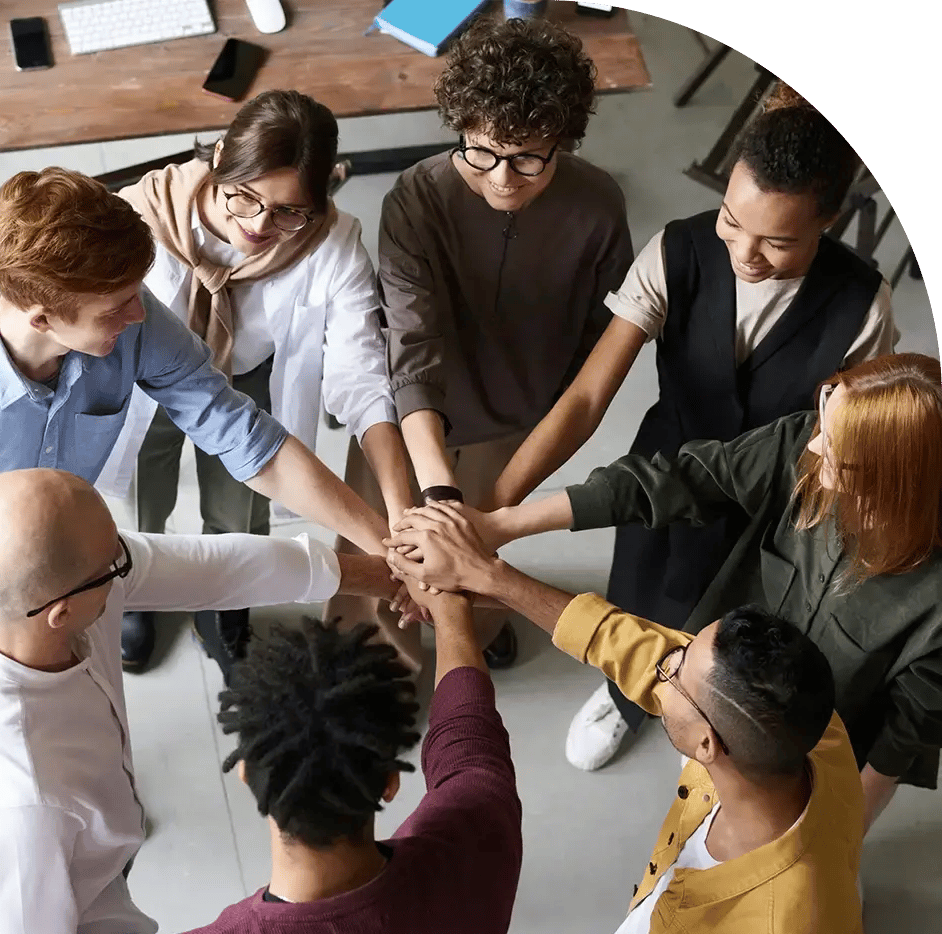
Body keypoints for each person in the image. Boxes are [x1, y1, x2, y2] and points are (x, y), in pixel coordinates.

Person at [488, 84, 898, 769]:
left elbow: (856, 440)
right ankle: (626, 696)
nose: (745, 254)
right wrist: (498, 504)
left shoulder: (861, 304)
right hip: (662, 475)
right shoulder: (677, 251)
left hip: (776, 503)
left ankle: (709, 714)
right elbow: (588, 396)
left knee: (740, 626)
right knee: (642, 588)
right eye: (733, 221)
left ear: (828, 222)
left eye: (778, 242)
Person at [396, 353, 942, 830]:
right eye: (825, 414)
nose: (815, 443)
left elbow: (901, 741)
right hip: (717, 687)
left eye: (838, 453)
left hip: (814, 758)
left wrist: (840, 836)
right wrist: (499, 527)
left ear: (895, 482)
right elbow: (680, 480)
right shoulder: (806, 442)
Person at [0, 468, 402, 934]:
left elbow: (212, 569)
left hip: (81, 862)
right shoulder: (24, 803)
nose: (127, 560)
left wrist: (378, 574)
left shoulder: (2, 587)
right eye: (113, 560)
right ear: (61, 613)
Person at [386, 503, 864, 934]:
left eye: (676, 671)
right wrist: (487, 575)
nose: (663, 664)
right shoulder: (810, 729)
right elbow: (635, 645)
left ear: (708, 744)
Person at [0, 166, 393, 670]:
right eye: (116, 308)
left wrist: (389, 547)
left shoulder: (129, 312)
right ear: (42, 317)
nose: (138, 315)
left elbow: (244, 435)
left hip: (72, 582)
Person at [331, 15, 634, 673]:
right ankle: (380, 660)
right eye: (483, 153)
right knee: (385, 545)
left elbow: (594, 354)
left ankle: (477, 622)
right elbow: (411, 347)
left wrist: (474, 519)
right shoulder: (419, 195)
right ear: (459, 129)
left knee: (480, 557)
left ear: (564, 140)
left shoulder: (600, 209)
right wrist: (438, 498)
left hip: (514, 420)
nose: (502, 178)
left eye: (529, 158)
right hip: (413, 417)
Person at [102, 90, 409, 677]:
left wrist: (395, 514)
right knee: (144, 494)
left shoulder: (331, 241)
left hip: (249, 378)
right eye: (244, 197)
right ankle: (139, 584)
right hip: (147, 382)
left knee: (240, 510)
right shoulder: (141, 213)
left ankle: (225, 601)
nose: (260, 226)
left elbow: (360, 373)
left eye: (289, 210)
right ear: (220, 158)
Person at [119, 573, 521, 934]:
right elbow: (469, 738)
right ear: (390, 780)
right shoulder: (480, 836)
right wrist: (451, 608)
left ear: (248, 776)